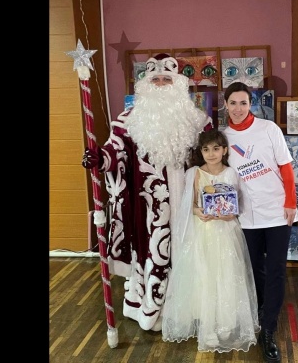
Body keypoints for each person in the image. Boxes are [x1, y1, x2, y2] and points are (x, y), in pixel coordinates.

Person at [81, 54, 212, 331]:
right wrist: (100, 158)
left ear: (178, 83)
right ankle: (154, 309)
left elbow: (212, 158)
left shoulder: (198, 120)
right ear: (146, 84)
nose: (161, 84)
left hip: (190, 203)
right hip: (149, 207)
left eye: (167, 79)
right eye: (156, 80)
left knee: (192, 250)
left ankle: (191, 310)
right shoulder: (128, 121)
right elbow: (115, 151)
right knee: (154, 251)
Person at [160, 129, 260, 352]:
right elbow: (190, 205)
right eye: (206, 149)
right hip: (203, 232)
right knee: (205, 275)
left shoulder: (231, 173)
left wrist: (230, 214)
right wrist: (198, 212)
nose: (211, 154)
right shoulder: (194, 173)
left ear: (224, 150)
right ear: (201, 152)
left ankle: (224, 322)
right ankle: (208, 326)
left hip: (226, 232)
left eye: (216, 148)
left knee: (226, 273)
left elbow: (237, 204)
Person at [221, 82, 298, 363]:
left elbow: (286, 168)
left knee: (276, 269)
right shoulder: (223, 137)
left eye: (243, 103)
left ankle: (268, 330)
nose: (238, 108)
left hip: (277, 211)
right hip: (246, 215)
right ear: (226, 105)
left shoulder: (269, 129)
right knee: (255, 269)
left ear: (250, 104)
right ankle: (264, 309)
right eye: (233, 103)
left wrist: (291, 203)